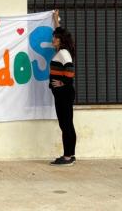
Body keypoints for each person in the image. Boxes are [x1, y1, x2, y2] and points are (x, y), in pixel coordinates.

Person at [49, 9, 77, 166]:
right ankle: (70, 155)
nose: (53, 39)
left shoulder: (64, 54)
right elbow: (60, 32)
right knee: (67, 123)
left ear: (60, 40)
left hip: (64, 93)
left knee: (65, 124)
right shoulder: (61, 51)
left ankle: (67, 157)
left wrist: (62, 83)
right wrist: (55, 20)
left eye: (55, 38)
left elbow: (70, 70)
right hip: (63, 93)